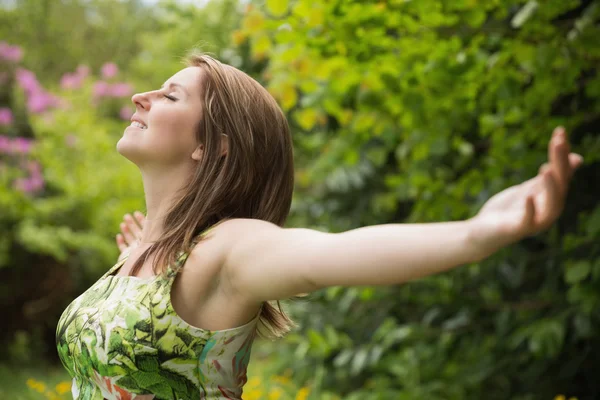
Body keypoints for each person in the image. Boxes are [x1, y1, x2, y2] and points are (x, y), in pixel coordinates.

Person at [55, 51, 583, 400]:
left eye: (170, 95)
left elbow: (332, 253)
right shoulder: (149, 252)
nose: (138, 98)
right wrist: (133, 270)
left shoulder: (225, 250)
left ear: (212, 145)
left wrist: (477, 232)